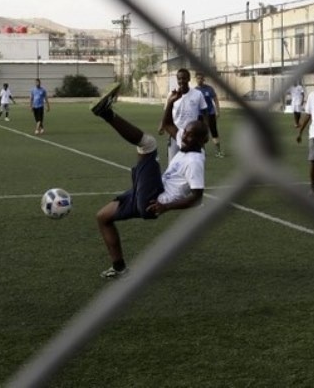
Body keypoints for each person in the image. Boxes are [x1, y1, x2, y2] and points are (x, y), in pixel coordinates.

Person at [91, 82, 208, 279]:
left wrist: (166, 207)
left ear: (201, 141)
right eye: (185, 133)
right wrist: (170, 102)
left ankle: (106, 113)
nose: (184, 138)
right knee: (103, 217)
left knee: (148, 144)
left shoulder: (195, 161)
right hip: (147, 197)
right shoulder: (188, 146)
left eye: (190, 136)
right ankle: (119, 269)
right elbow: (169, 125)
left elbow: (197, 198)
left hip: (155, 199)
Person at [163, 68, 208, 163]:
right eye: (179, 79)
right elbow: (167, 114)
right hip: (175, 134)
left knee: (192, 163)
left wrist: (205, 132)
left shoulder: (197, 94)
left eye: (184, 78)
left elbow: (204, 113)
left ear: (189, 79)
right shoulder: (172, 95)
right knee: (173, 164)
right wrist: (162, 126)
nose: (181, 81)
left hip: (192, 136)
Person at [194, 71, 223, 157]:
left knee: (214, 131)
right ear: (195, 79)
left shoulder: (209, 89)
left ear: (204, 79)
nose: (199, 80)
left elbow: (215, 99)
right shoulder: (194, 90)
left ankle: (218, 151)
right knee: (201, 133)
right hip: (200, 115)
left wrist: (217, 110)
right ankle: (202, 152)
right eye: (198, 78)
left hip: (210, 113)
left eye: (201, 78)